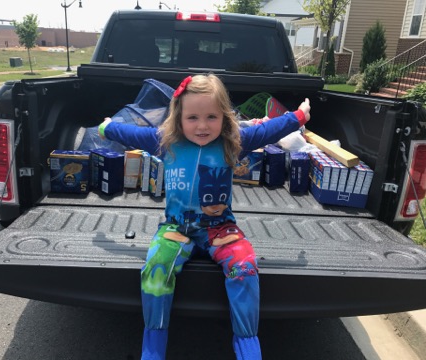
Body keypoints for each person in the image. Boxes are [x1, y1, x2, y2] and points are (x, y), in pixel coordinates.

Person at [98, 74, 311, 359]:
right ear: (178, 117)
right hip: (177, 228)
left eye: (211, 117)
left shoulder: (233, 141)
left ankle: (248, 348)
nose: (202, 126)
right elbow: (131, 134)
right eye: (193, 117)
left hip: (220, 229)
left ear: (224, 117)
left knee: (245, 267)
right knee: (155, 269)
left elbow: (268, 131)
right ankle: (152, 350)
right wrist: (108, 127)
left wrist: (298, 116)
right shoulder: (165, 142)